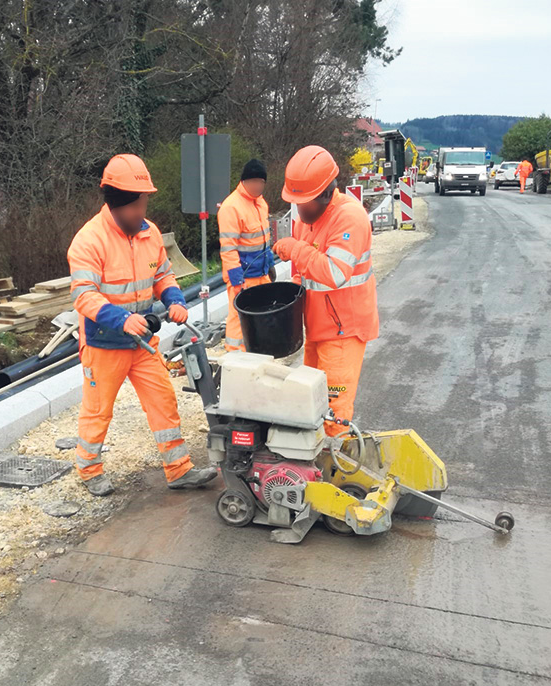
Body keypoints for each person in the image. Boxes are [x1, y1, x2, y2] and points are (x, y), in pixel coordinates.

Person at [68, 153, 217, 496]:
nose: (141, 213)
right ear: (116, 203)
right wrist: (121, 319)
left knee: (164, 401)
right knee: (98, 410)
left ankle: (178, 469)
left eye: (144, 204)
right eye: (136, 206)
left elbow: (163, 275)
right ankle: (89, 469)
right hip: (104, 343)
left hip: (142, 342)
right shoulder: (89, 241)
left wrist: (176, 301)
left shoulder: (149, 235)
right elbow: (84, 296)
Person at [274, 145, 379, 437]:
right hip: (318, 327)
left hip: (343, 330)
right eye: (295, 201)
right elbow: (304, 270)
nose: (298, 208)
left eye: (303, 202)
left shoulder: (350, 218)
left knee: (334, 413)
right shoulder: (306, 218)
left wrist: (294, 249)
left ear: (325, 194)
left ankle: (337, 473)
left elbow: (334, 272)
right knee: (311, 404)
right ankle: (315, 471)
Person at [217, 159, 274, 351]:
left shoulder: (261, 203)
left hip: (261, 274)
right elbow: (228, 249)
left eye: (262, 182)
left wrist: (270, 265)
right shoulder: (231, 207)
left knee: (263, 315)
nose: (259, 186)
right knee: (238, 318)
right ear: (245, 182)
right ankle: (235, 355)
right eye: (255, 182)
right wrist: (237, 282)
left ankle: (259, 351)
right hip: (243, 277)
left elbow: (264, 238)